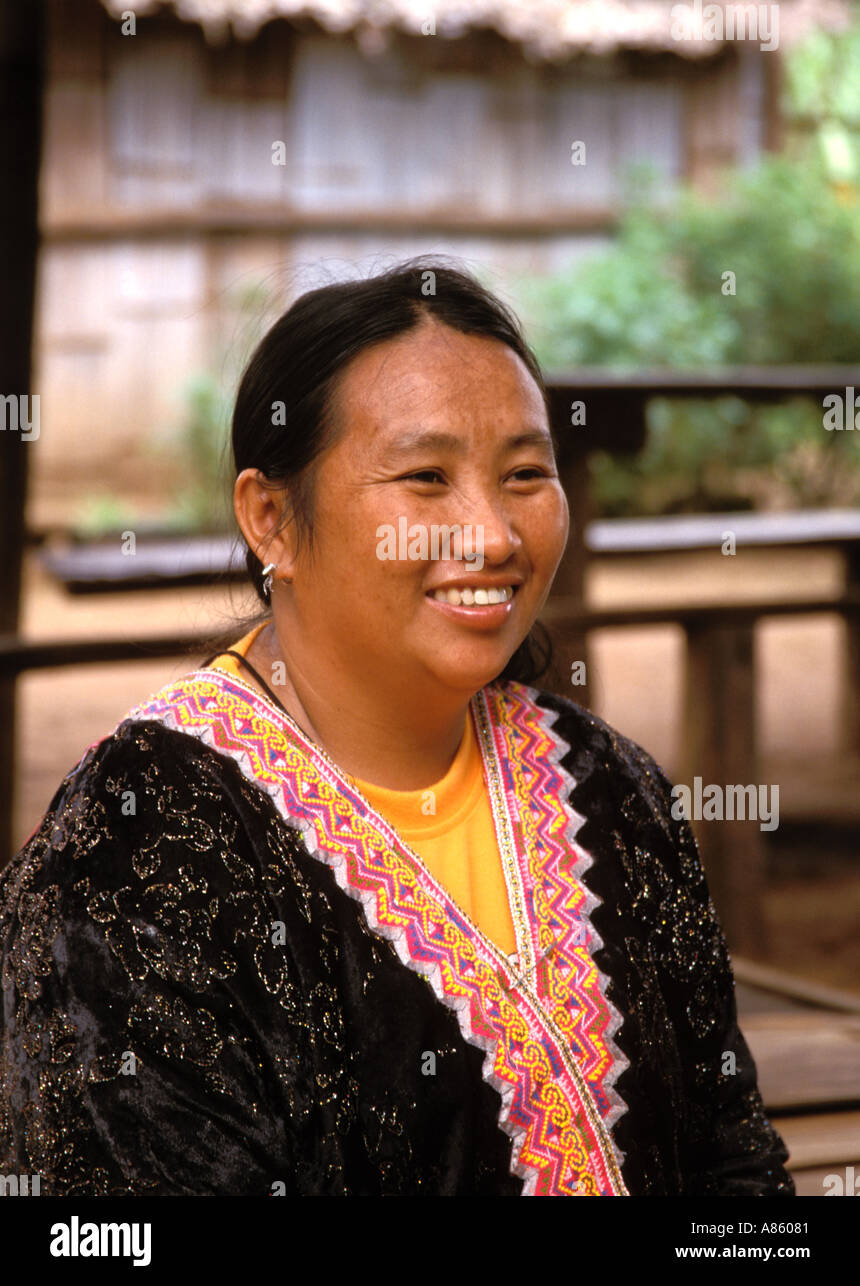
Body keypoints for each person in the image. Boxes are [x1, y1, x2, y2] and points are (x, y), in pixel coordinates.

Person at [0, 258, 793, 1196]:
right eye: (425, 477)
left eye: (525, 473)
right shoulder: (138, 847)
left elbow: (733, 1160)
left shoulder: (609, 788)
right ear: (271, 519)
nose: (491, 535)